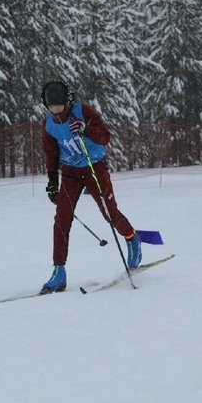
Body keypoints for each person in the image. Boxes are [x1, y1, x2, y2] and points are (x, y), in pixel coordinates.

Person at [40, 80, 141, 294]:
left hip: (94, 167)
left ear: (67, 103)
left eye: (59, 107)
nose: (56, 112)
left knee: (109, 214)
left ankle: (132, 237)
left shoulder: (82, 111)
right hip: (70, 173)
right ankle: (59, 272)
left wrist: (87, 130)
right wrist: (51, 182)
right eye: (52, 108)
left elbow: (105, 137)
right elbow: (51, 154)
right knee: (62, 219)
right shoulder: (49, 124)